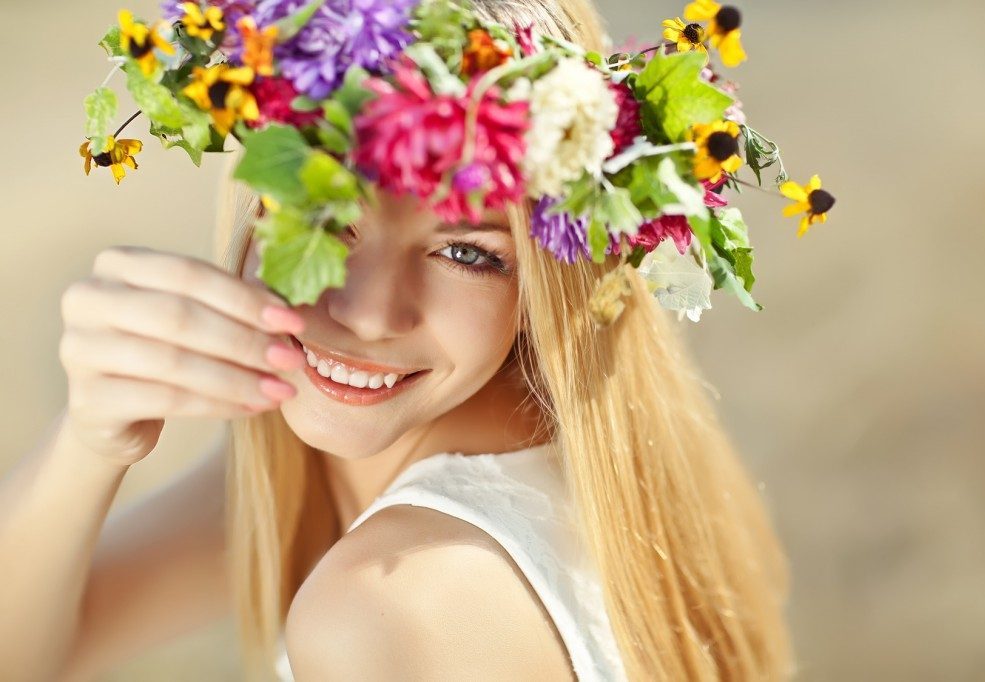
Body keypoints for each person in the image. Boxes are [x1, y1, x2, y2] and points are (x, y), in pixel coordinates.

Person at [0, 0, 794, 680]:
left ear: (546, 284)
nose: (373, 314)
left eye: (468, 253)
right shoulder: (495, 457)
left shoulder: (389, 604)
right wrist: (91, 441)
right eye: (326, 211)